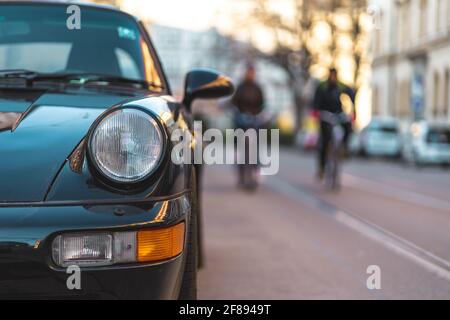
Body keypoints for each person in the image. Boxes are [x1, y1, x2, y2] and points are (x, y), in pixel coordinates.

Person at [313, 68, 356, 179]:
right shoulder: (322, 86)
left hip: (338, 113)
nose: (333, 77)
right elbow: (316, 100)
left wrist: (353, 111)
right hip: (325, 115)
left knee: (347, 127)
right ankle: (322, 168)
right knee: (325, 139)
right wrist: (316, 111)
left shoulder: (341, 86)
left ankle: (344, 148)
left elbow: (351, 94)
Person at [231, 64, 265, 187]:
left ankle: (256, 169)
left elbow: (262, 104)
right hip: (241, 120)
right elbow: (234, 102)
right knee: (240, 145)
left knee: (255, 143)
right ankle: (241, 173)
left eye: (252, 72)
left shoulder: (257, 88)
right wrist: (239, 112)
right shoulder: (240, 87)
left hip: (254, 119)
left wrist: (257, 114)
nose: (251, 74)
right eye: (249, 72)